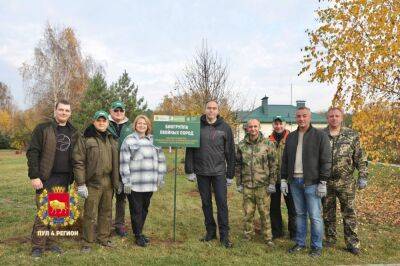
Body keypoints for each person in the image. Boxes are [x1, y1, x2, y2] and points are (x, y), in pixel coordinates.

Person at [27, 99, 78, 258]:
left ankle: (51, 242)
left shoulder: (74, 131)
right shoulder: (43, 129)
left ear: (70, 113)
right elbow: (32, 152)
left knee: (57, 214)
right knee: (43, 214)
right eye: (61, 110)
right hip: (45, 178)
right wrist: (34, 175)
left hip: (64, 179)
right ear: (55, 111)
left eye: (67, 110)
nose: (64, 113)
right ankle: (37, 246)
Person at [281, 106, 331, 257]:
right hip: (294, 181)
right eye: (298, 116)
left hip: (312, 182)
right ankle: (300, 243)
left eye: (304, 116)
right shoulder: (291, 137)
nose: (301, 119)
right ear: (295, 118)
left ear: (309, 117)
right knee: (300, 214)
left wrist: (323, 181)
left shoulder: (320, 136)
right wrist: (283, 179)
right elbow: (285, 160)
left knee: (315, 216)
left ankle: (316, 246)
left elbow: (326, 160)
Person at [185, 100, 235, 248]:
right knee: (206, 204)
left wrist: (230, 174)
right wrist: (189, 170)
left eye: (214, 108)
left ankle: (224, 236)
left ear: (218, 111)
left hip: (219, 172)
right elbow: (190, 149)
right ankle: (210, 232)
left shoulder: (225, 128)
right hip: (201, 172)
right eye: (209, 108)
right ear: (205, 110)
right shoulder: (196, 126)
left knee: (222, 204)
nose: (211, 111)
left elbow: (230, 152)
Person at [322, 107, 368, 255]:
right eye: (331, 116)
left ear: (342, 118)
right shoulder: (321, 135)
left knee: (349, 213)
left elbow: (360, 157)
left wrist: (363, 176)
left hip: (346, 182)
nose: (334, 118)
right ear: (327, 118)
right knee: (328, 213)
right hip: (326, 182)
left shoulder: (352, 135)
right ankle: (330, 238)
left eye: (337, 116)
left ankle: (352, 243)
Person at [72, 110, 120, 252]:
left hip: (108, 182)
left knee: (106, 212)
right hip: (92, 182)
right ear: (94, 122)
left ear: (107, 122)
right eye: (98, 120)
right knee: (90, 213)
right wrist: (81, 184)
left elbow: (116, 161)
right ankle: (88, 241)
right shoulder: (86, 138)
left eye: (104, 120)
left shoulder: (112, 138)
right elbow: (78, 161)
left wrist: (117, 182)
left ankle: (103, 238)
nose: (101, 123)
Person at [119, 115, 166, 247]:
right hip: (135, 184)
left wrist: (161, 177)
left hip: (150, 183)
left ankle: (139, 231)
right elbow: (124, 162)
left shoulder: (154, 140)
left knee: (145, 209)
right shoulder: (129, 141)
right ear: (135, 125)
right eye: (139, 123)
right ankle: (137, 235)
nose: (141, 125)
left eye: (144, 123)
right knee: (136, 210)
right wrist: (126, 181)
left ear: (147, 126)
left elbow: (161, 159)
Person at [235, 119, 277, 246]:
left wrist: (272, 183)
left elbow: (274, 164)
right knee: (248, 213)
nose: (252, 129)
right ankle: (248, 236)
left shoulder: (268, 144)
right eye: (250, 127)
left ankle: (268, 238)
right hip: (247, 185)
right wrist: (239, 183)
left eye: (255, 126)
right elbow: (237, 165)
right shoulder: (241, 145)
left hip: (263, 186)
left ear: (259, 127)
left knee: (265, 213)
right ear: (247, 128)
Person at [107, 100, 133, 237]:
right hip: (108, 167)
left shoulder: (130, 126)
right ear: (111, 111)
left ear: (124, 112)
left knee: (121, 198)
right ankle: (104, 224)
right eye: (116, 110)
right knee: (106, 198)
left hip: (124, 167)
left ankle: (119, 224)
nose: (118, 113)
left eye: (121, 110)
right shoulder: (104, 123)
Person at [268, 116, 296, 240]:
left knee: (292, 206)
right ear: (273, 125)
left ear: (284, 124)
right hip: (273, 179)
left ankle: (293, 232)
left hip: (288, 179)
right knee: (274, 206)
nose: (278, 126)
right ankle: (276, 231)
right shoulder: (268, 140)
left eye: (280, 124)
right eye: (276, 124)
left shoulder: (292, 138)